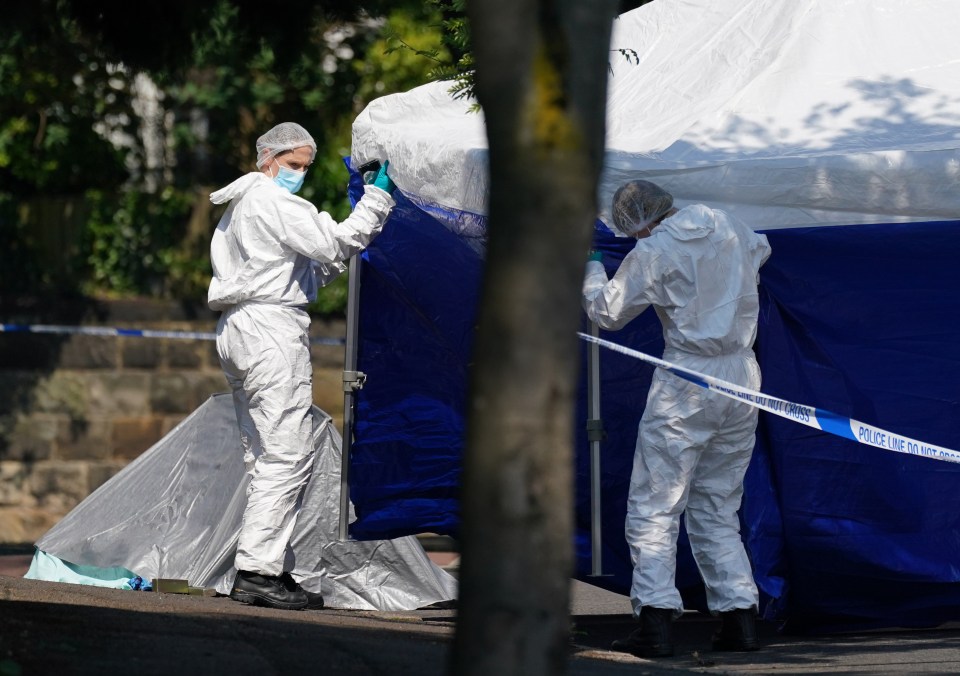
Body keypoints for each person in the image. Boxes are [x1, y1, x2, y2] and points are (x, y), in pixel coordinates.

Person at [207, 122, 397, 611]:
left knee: (264, 456)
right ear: (268, 159)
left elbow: (308, 267)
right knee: (287, 454)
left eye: (305, 168)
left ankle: (267, 565)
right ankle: (257, 572)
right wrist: (377, 199)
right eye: (293, 165)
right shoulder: (274, 201)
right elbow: (337, 244)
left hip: (239, 329)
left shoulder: (241, 206)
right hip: (270, 331)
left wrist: (337, 244)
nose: (299, 175)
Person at [582, 180, 771, 656]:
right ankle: (739, 619)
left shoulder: (654, 251)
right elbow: (761, 250)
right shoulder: (725, 223)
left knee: (656, 504)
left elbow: (607, 312)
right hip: (742, 377)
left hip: (688, 380)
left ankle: (655, 623)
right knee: (718, 503)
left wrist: (591, 268)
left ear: (638, 223)